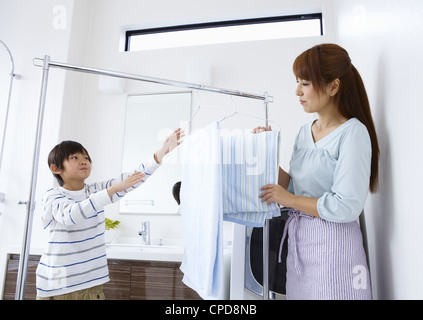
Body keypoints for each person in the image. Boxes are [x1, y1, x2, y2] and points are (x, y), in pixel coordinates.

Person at [257, 43, 379, 300]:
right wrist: (265, 153)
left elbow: (346, 206)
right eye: (298, 82)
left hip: (336, 248)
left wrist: (288, 200)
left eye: (305, 83)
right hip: (301, 246)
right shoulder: (305, 131)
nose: (297, 91)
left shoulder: (353, 132)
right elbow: (293, 188)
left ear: (333, 86)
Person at [36, 128, 183, 300]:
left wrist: (161, 152)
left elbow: (133, 178)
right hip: (59, 285)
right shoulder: (53, 195)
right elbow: (71, 215)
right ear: (56, 168)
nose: (84, 161)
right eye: (75, 157)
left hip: (91, 283)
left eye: (86, 157)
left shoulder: (95, 190)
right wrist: (114, 189)